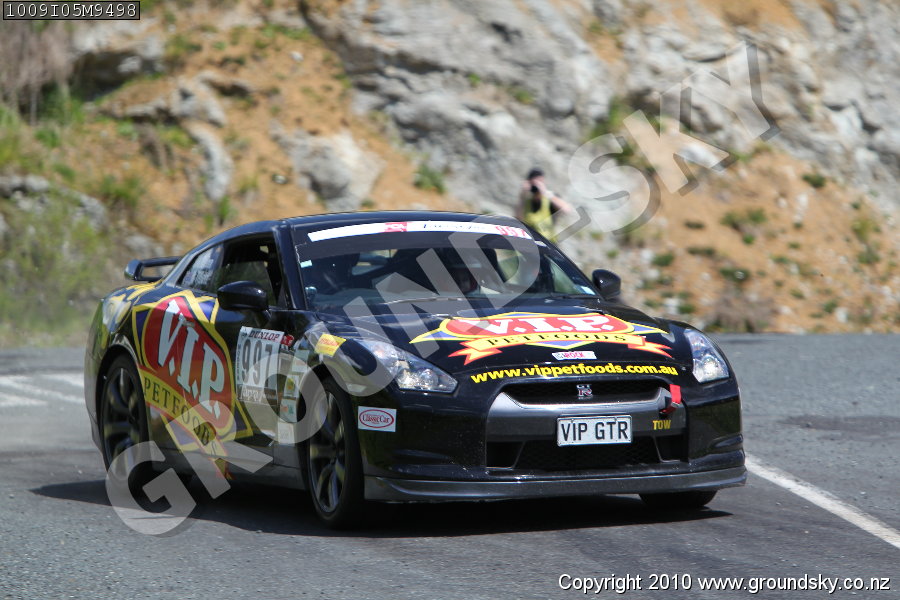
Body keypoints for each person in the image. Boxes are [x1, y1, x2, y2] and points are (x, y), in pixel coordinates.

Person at [516, 167, 573, 243]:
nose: (536, 186)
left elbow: (567, 209)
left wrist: (545, 192)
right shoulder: (526, 202)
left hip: (548, 244)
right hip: (530, 243)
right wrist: (522, 196)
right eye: (534, 183)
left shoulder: (549, 200)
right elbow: (518, 220)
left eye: (540, 182)